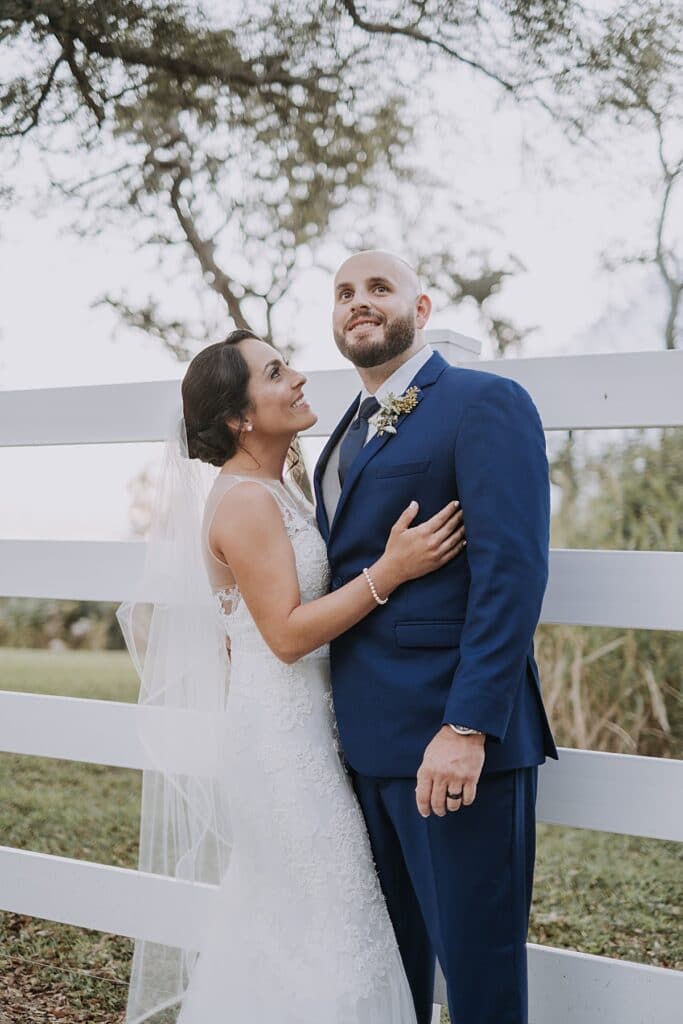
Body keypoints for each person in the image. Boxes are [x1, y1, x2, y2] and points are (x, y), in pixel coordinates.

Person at [124, 327, 468, 1024]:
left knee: (293, 926)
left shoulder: (272, 489)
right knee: (331, 928)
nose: (299, 379)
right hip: (283, 750)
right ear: (239, 417)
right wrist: (391, 571)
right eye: (276, 373)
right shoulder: (245, 501)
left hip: (304, 731)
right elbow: (282, 635)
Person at [314, 250, 559, 1024]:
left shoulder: (484, 403)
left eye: (377, 288)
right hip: (362, 748)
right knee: (390, 981)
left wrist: (467, 725)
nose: (359, 302)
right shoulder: (336, 437)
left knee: (479, 979)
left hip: (451, 750)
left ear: (419, 310)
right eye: (344, 292)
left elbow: (510, 572)